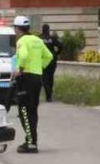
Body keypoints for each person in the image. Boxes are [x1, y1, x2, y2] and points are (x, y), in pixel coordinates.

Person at [11, 15, 53, 154]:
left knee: (23, 110)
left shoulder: (22, 41)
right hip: (37, 77)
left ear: (17, 28)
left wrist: (20, 70)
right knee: (33, 110)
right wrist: (39, 67)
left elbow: (22, 56)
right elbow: (49, 56)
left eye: (14, 28)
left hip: (26, 78)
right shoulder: (37, 40)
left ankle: (30, 143)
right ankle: (32, 141)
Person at [41, 24, 62, 102]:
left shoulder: (39, 38)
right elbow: (61, 46)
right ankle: (49, 95)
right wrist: (57, 53)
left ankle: (48, 95)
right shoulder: (53, 38)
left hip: (43, 61)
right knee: (50, 77)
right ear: (48, 30)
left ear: (42, 29)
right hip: (52, 60)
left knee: (45, 78)